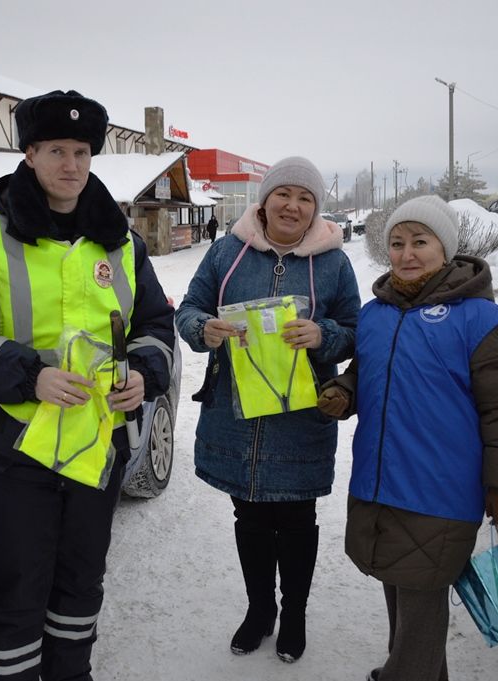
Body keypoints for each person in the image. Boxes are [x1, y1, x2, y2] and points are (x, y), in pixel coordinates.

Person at [0, 89, 175, 681]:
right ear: (29, 153)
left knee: (80, 591)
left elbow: (156, 325)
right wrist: (29, 376)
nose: (71, 165)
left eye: (82, 152)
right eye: (56, 149)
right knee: (14, 601)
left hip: (96, 452)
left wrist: (141, 371)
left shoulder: (123, 242)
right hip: (15, 455)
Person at [317, 195, 498, 681]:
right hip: (379, 479)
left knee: (420, 604)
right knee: (399, 586)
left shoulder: (479, 320)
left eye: (420, 241)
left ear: (446, 249)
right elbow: (368, 371)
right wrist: (342, 392)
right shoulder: (375, 314)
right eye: (397, 243)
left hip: (439, 489)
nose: (407, 253)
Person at [175, 156, 361, 663]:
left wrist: (325, 335)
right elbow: (189, 309)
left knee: (298, 518)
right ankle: (260, 611)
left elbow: (355, 330)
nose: (293, 206)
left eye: (305, 198)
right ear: (266, 199)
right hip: (237, 414)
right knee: (250, 515)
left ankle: (293, 613)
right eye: (285, 194)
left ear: (316, 209)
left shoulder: (334, 264)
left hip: (302, 417)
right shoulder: (227, 252)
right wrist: (203, 330)